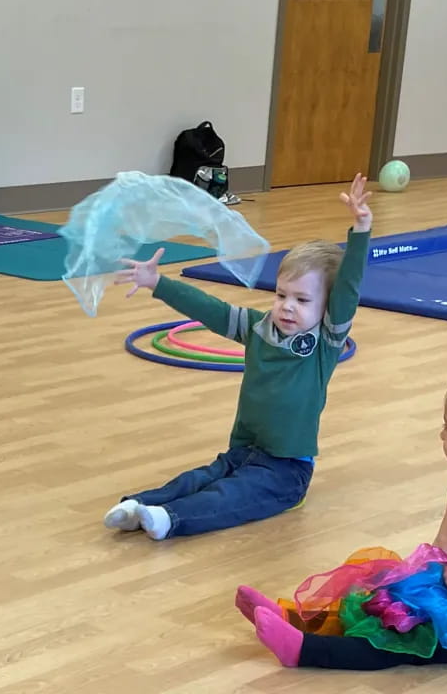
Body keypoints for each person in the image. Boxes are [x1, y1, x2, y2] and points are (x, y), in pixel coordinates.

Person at [235, 364, 447, 669]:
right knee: (379, 595)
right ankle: (297, 618)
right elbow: (444, 545)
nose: (442, 434)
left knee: (406, 637)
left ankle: (306, 650)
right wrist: (412, 579)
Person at [102, 173, 373, 540]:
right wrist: (158, 283)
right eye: (281, 295)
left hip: (286, 470)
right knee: (201, 477)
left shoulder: (324, 341)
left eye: (302, 300)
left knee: (228, 496)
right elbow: (210, 309)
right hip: (244, 450)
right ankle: (139, 504)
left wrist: (361, 229)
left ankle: (169, 517)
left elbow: (349, 287)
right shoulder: (257, 327)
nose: (287, 306)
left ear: (326, 308)